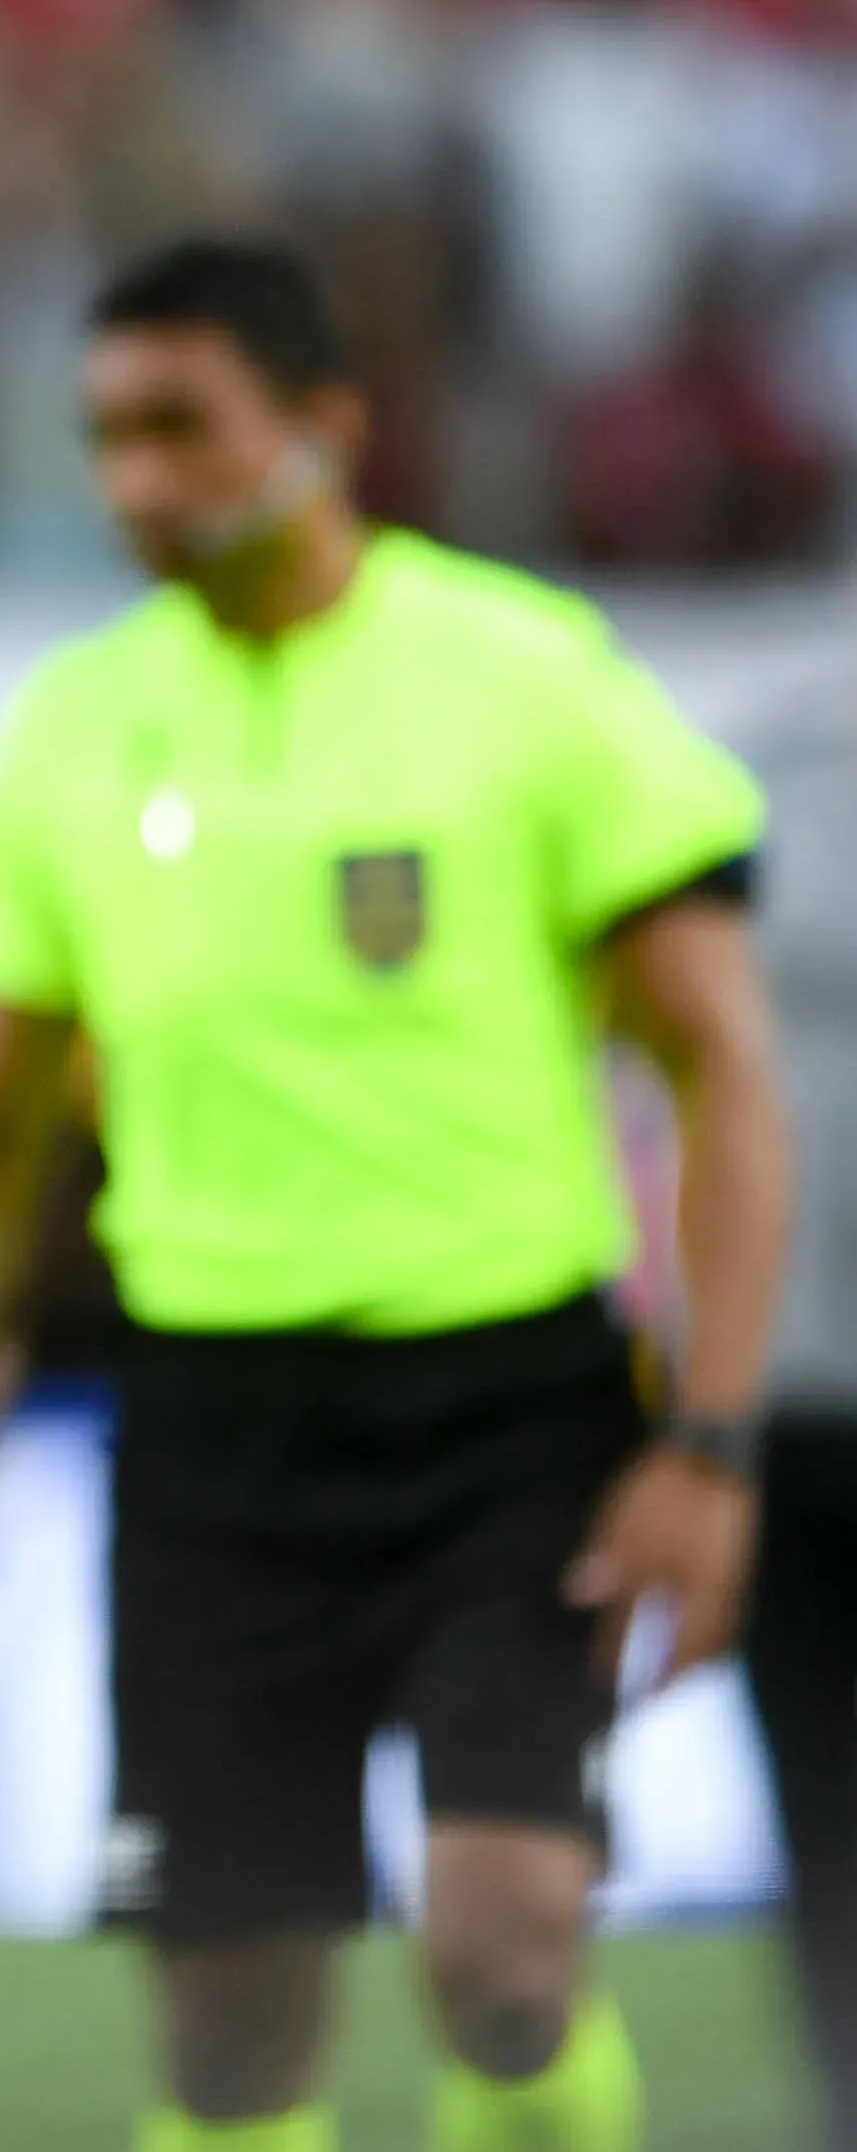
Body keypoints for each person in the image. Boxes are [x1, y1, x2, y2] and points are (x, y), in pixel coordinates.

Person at [0, 237, 791, 2152]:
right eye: (105, 435)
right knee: (232, 2039)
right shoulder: (77, 725)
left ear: (328, 429)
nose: (135, 481)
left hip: (510, 1413)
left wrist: (716, 1435)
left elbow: (725, 1072)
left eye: (182, 426)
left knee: (507, 1964)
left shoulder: (529, 678)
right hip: (210, 1440)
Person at [744, 658, 857, 2152]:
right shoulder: (739, 778)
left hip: (762, 1378)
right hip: (769, 1403)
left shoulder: (740, 786)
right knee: (820, 1789)